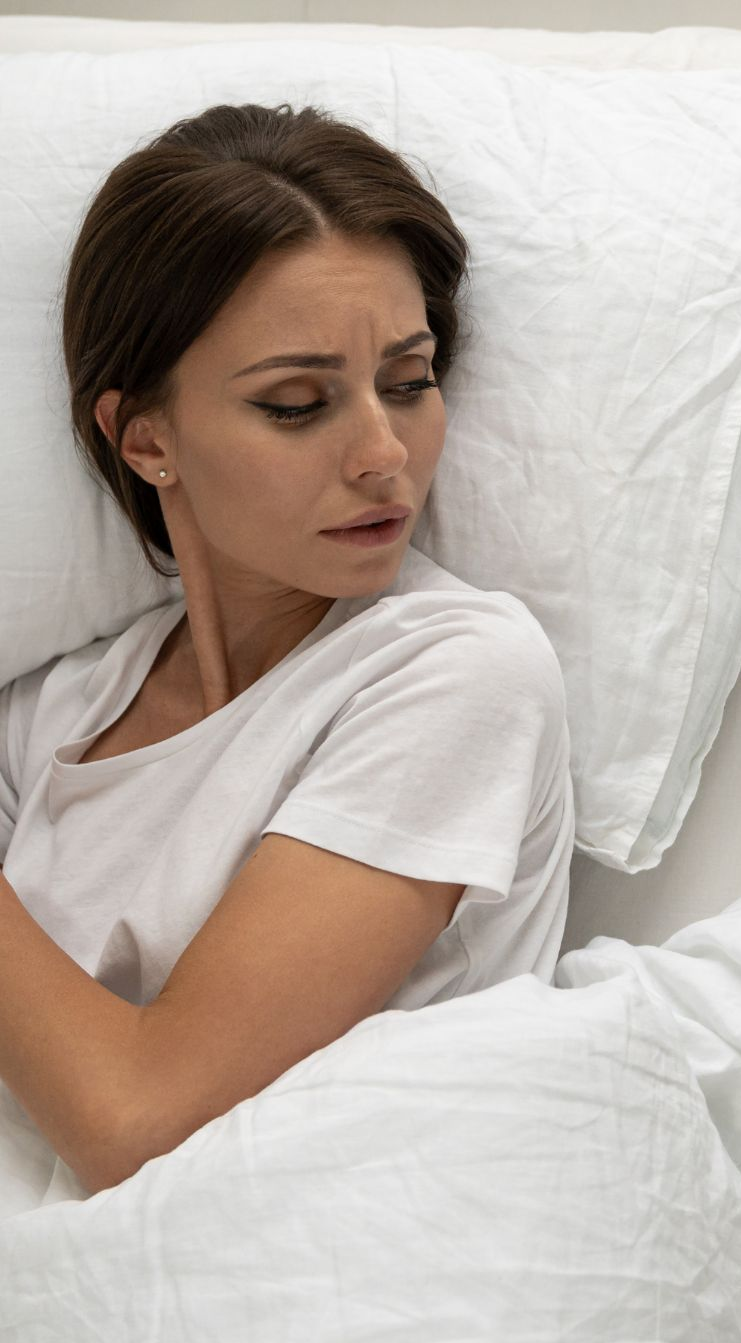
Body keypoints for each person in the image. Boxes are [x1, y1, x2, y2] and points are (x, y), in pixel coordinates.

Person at [0, 102, 575, 1196]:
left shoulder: (454, 670)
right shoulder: (60, 712)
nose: (382, 455)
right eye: (298, 404)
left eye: (409, 383)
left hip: (325, 1296)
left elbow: (138, 1120)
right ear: (145, 437)